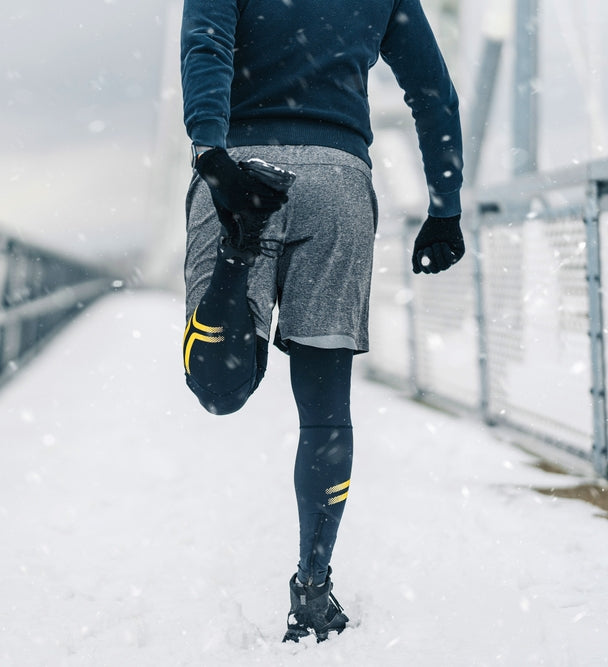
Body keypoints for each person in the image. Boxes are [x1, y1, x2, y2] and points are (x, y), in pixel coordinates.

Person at [179, 0, 465, 643]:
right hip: (339, 182)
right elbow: (432, 93)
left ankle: (236, 245)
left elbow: (206, 49)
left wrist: (212, 151)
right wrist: (445, 206)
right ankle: (312, 586)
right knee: (326, 410)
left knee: (219, 391)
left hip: (239, 165)